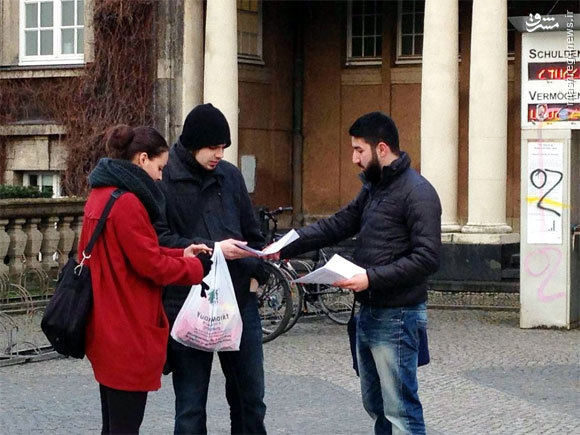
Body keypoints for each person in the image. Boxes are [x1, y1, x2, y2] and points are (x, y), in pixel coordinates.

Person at [273, 112, 442, 434]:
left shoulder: (418, 192)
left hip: (397, 316)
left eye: (358, 150)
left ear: (381, 149)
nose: (354, 159)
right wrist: (284, 246)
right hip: (368, 311)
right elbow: (338, 224)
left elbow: (428, 258)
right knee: (376, 407)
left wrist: (371, 278)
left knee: (401, 411)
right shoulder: (374, 189)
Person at [79, 125, 213, 434]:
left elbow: (133, 251)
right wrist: (196, 269)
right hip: (127, 327)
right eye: (159, 167)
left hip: (106, 324)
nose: (161, 177)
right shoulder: (128, 203)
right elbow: (150, 264)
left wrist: (182, 253)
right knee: (125, 427)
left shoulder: (101, 195)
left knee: (112, 426)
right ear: (142, 160)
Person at [154, 103, 268, 434]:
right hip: (186, 304)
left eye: (223, 147)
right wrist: (215, 249)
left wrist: (254, 276)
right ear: (193, 143)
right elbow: (161, 241)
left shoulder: (229, 175)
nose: (219, 154)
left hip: (239, 303)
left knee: (251, 401)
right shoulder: (165, 178)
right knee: (190, 408)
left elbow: (254, 235)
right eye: (212, 147)